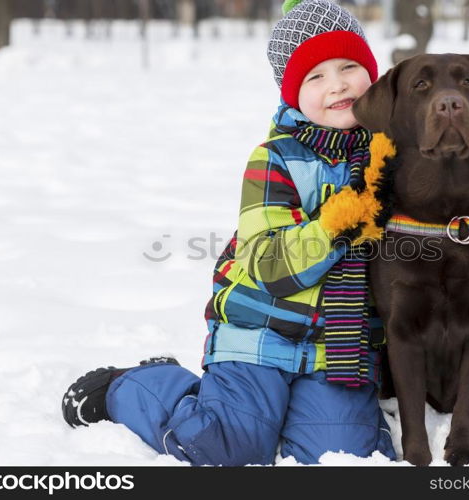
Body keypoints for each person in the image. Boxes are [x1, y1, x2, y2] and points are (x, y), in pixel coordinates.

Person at [62, 0, 398, 466]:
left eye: (348, 66)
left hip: (339, 352)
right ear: (291, 94)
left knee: (338, 459)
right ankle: (137, 386)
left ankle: (305, 415)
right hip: (257, 334)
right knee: (223, 448)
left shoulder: (396, 154)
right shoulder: (275, 159)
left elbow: (449, 217)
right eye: (315, 77)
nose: (337, 84)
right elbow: (267, 264)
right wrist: (335, 226)